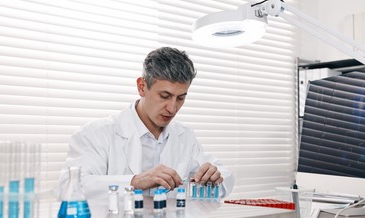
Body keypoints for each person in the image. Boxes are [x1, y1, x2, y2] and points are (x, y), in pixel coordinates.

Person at [59, 47, 234, 200]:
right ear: (142, 87)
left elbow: (225, 175)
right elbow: (70, 186)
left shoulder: (184, 136)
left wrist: (213, 176)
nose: (172, 108)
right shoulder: (96, 134)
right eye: (164, 96)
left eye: (180, 98)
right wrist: (134, 181)